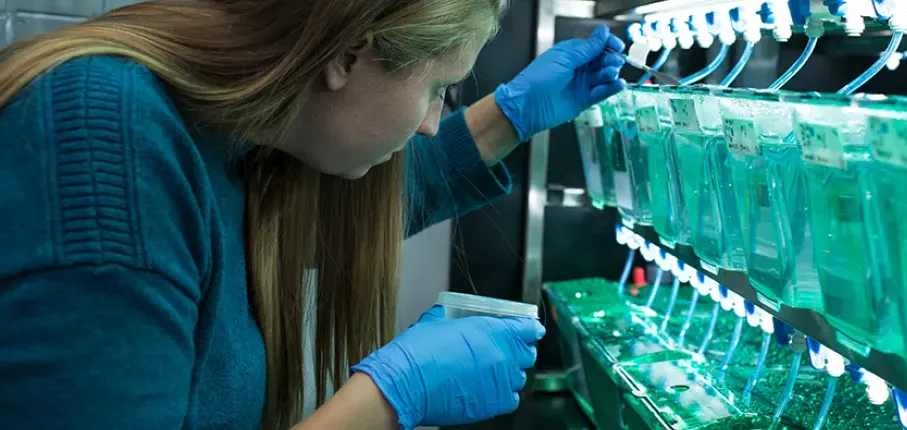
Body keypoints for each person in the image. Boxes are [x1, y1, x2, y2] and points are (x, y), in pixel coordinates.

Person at [0, 0, 626, 429]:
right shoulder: (104, 143)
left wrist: (509, 116)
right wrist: (383, 400)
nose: (434, 122)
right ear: (346, 54)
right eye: (439, 88)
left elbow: (357, 182)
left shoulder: (242, 133)